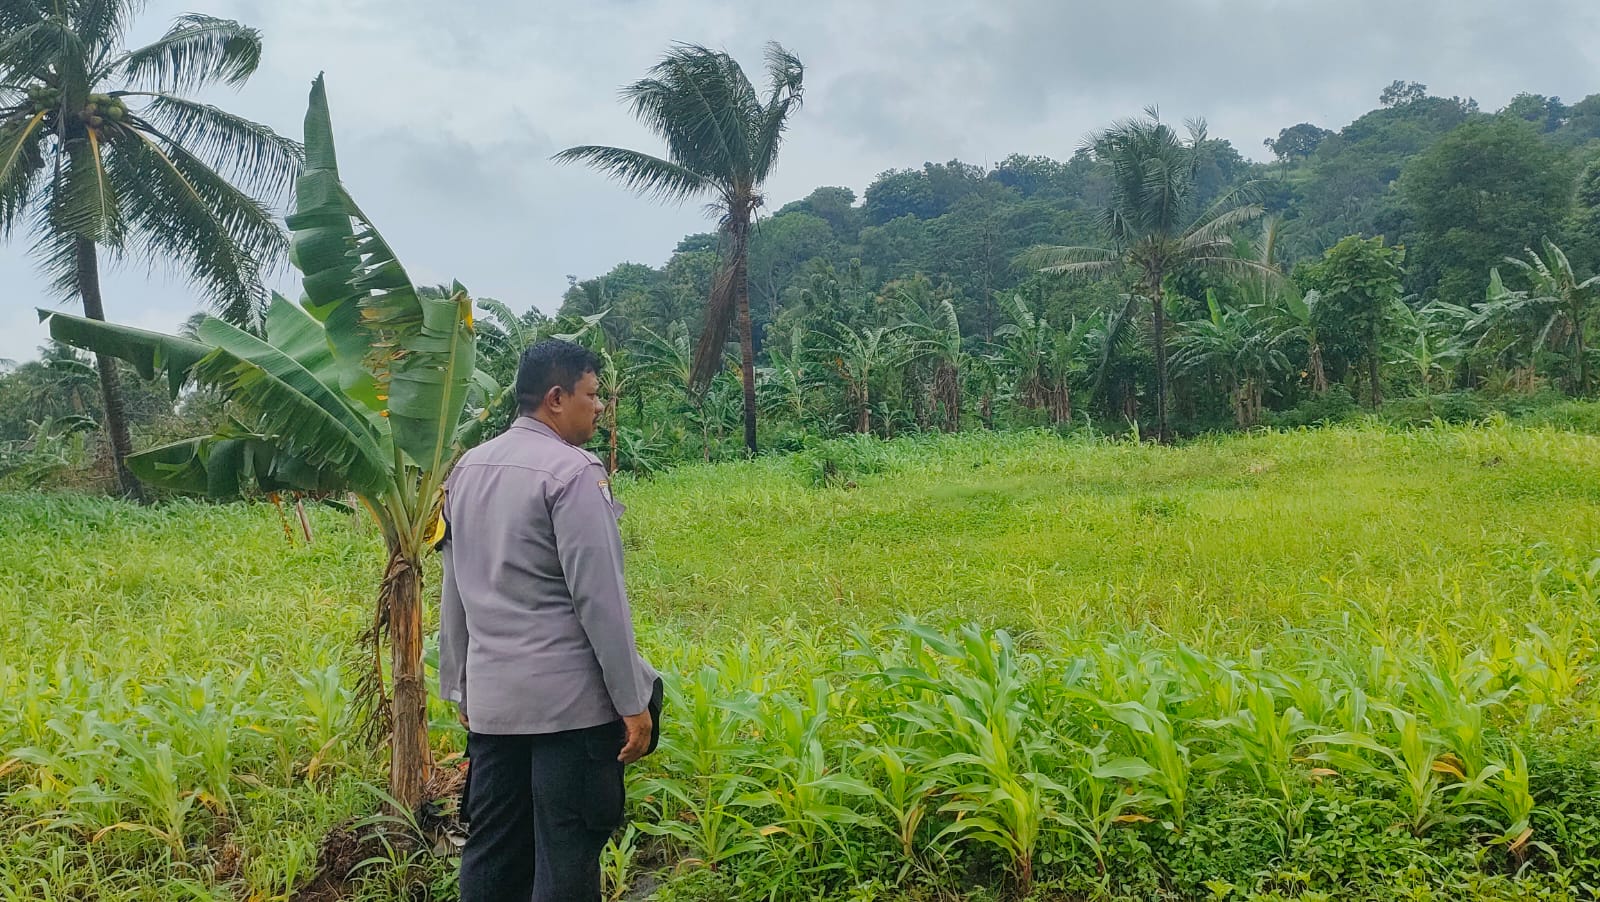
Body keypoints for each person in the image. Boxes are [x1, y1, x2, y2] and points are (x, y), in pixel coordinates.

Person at [439, 339, 660, 901]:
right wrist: (632, 700)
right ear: (556, 399)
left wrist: (460, 685)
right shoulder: (573, 472)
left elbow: (455, 588)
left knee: (493, 854)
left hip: (494, 707)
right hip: (570, 710)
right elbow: (600, 601)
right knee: (567, 856)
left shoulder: (467, 468)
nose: (599, 406)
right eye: (592, 394)